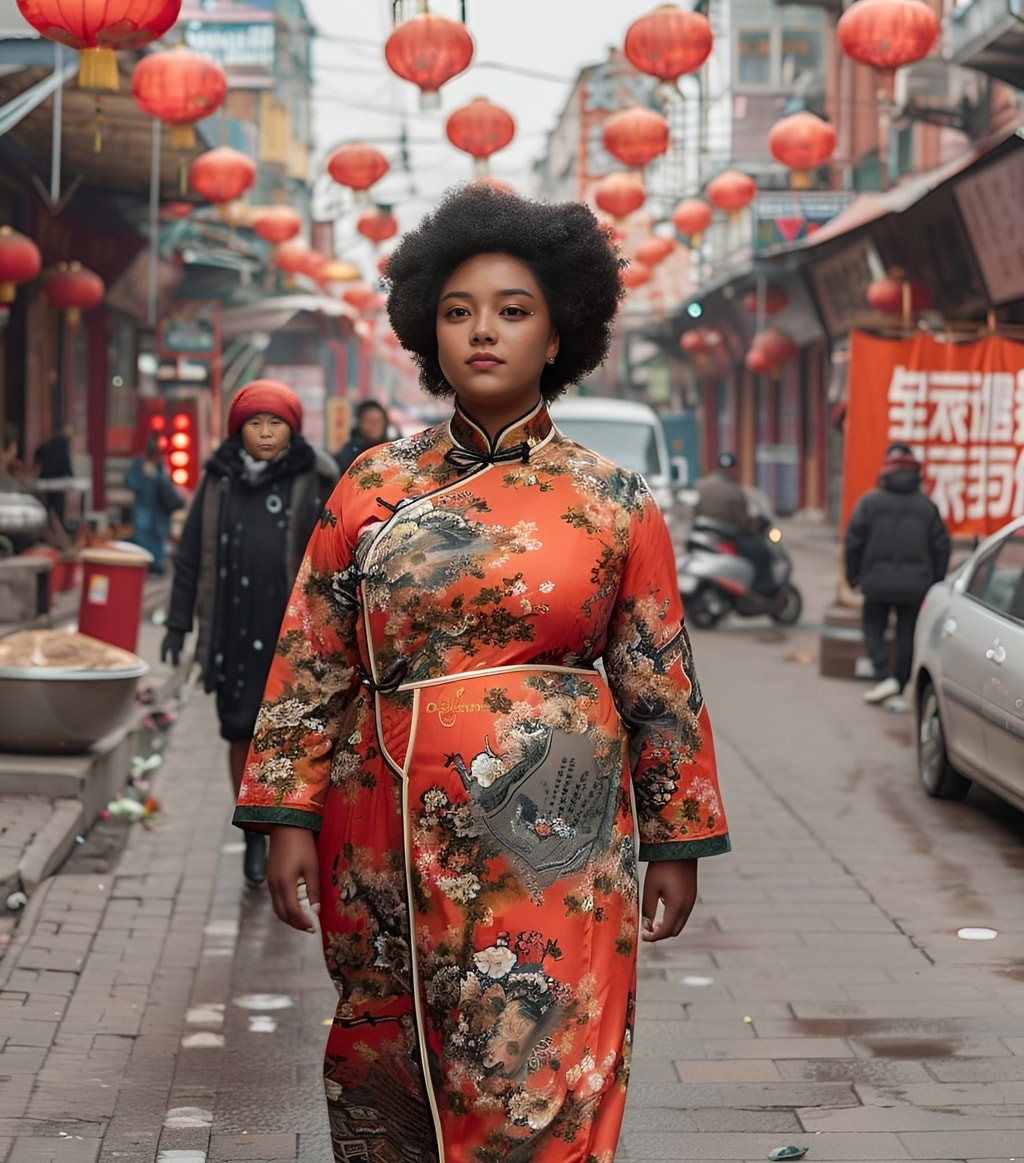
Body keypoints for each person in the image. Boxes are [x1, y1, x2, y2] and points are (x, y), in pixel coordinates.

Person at [233, 185, 730, 1162]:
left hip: (556, 849)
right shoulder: (372, 482)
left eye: (512, 310)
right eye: (458, 312)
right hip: (377, 832)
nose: (483, 333)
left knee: (542, 1069)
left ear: (558, 333)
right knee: (385, 1064)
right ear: (428, 330)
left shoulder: (611, 497)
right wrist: (284, 813)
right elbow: (314, 654)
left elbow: (659, 680)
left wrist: (678, 836)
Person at [161, 380, 339, 887]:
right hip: (233, 635)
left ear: (292, 428)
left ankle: (287, 829)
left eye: (275, 422)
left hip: (291, 637)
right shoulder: (219, 481)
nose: (264, 432)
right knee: (241, 732)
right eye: (254, 423)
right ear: (238, 429)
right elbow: (191, 556)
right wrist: (178, 623)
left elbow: (337, 555)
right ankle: (253, 836)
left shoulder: (315, 476)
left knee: (286, 736)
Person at [844, 443, 950, 706]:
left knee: (872, 627)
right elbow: (942, 548)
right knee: (907, 634)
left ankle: (883, 677)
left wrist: (854, 576)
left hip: (876, 582)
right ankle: (899, 683)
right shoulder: (927, 507)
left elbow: (852, 542)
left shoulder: (869, 502)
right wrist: (934, 582)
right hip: (916, 586)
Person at [694, 451, 774, 594]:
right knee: (762, 552)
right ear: (734, 469)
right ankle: (762, 589)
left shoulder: (702, 485)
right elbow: (743, 521)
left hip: (701, 535)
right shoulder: (734, 490)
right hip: (727, 537)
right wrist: (755, 526)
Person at [125, 434, 180, 574]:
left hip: (158, 512)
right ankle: (146, 565)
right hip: (144, 509)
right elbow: (130, 482)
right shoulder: (140, 464)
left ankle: (157, 564)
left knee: (157, 538)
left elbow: (168, 488)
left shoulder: (161, 467)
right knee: (143, 537)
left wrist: (156, 475)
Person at [32, 423, 74, 532]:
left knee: (48, 504)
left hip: (46, 478)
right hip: (57, 480)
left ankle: (49, 527)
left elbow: (38, 453)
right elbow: (66, 462)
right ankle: (57, 526)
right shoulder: (63, 445)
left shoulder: (48, 445)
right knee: (58, 505)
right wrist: (71, 476)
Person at [333, 398, 391, 473]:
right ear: (359, 422)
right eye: (369, 421)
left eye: (378, 421)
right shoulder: (348, 455)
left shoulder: (392, 450)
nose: (374, 425)